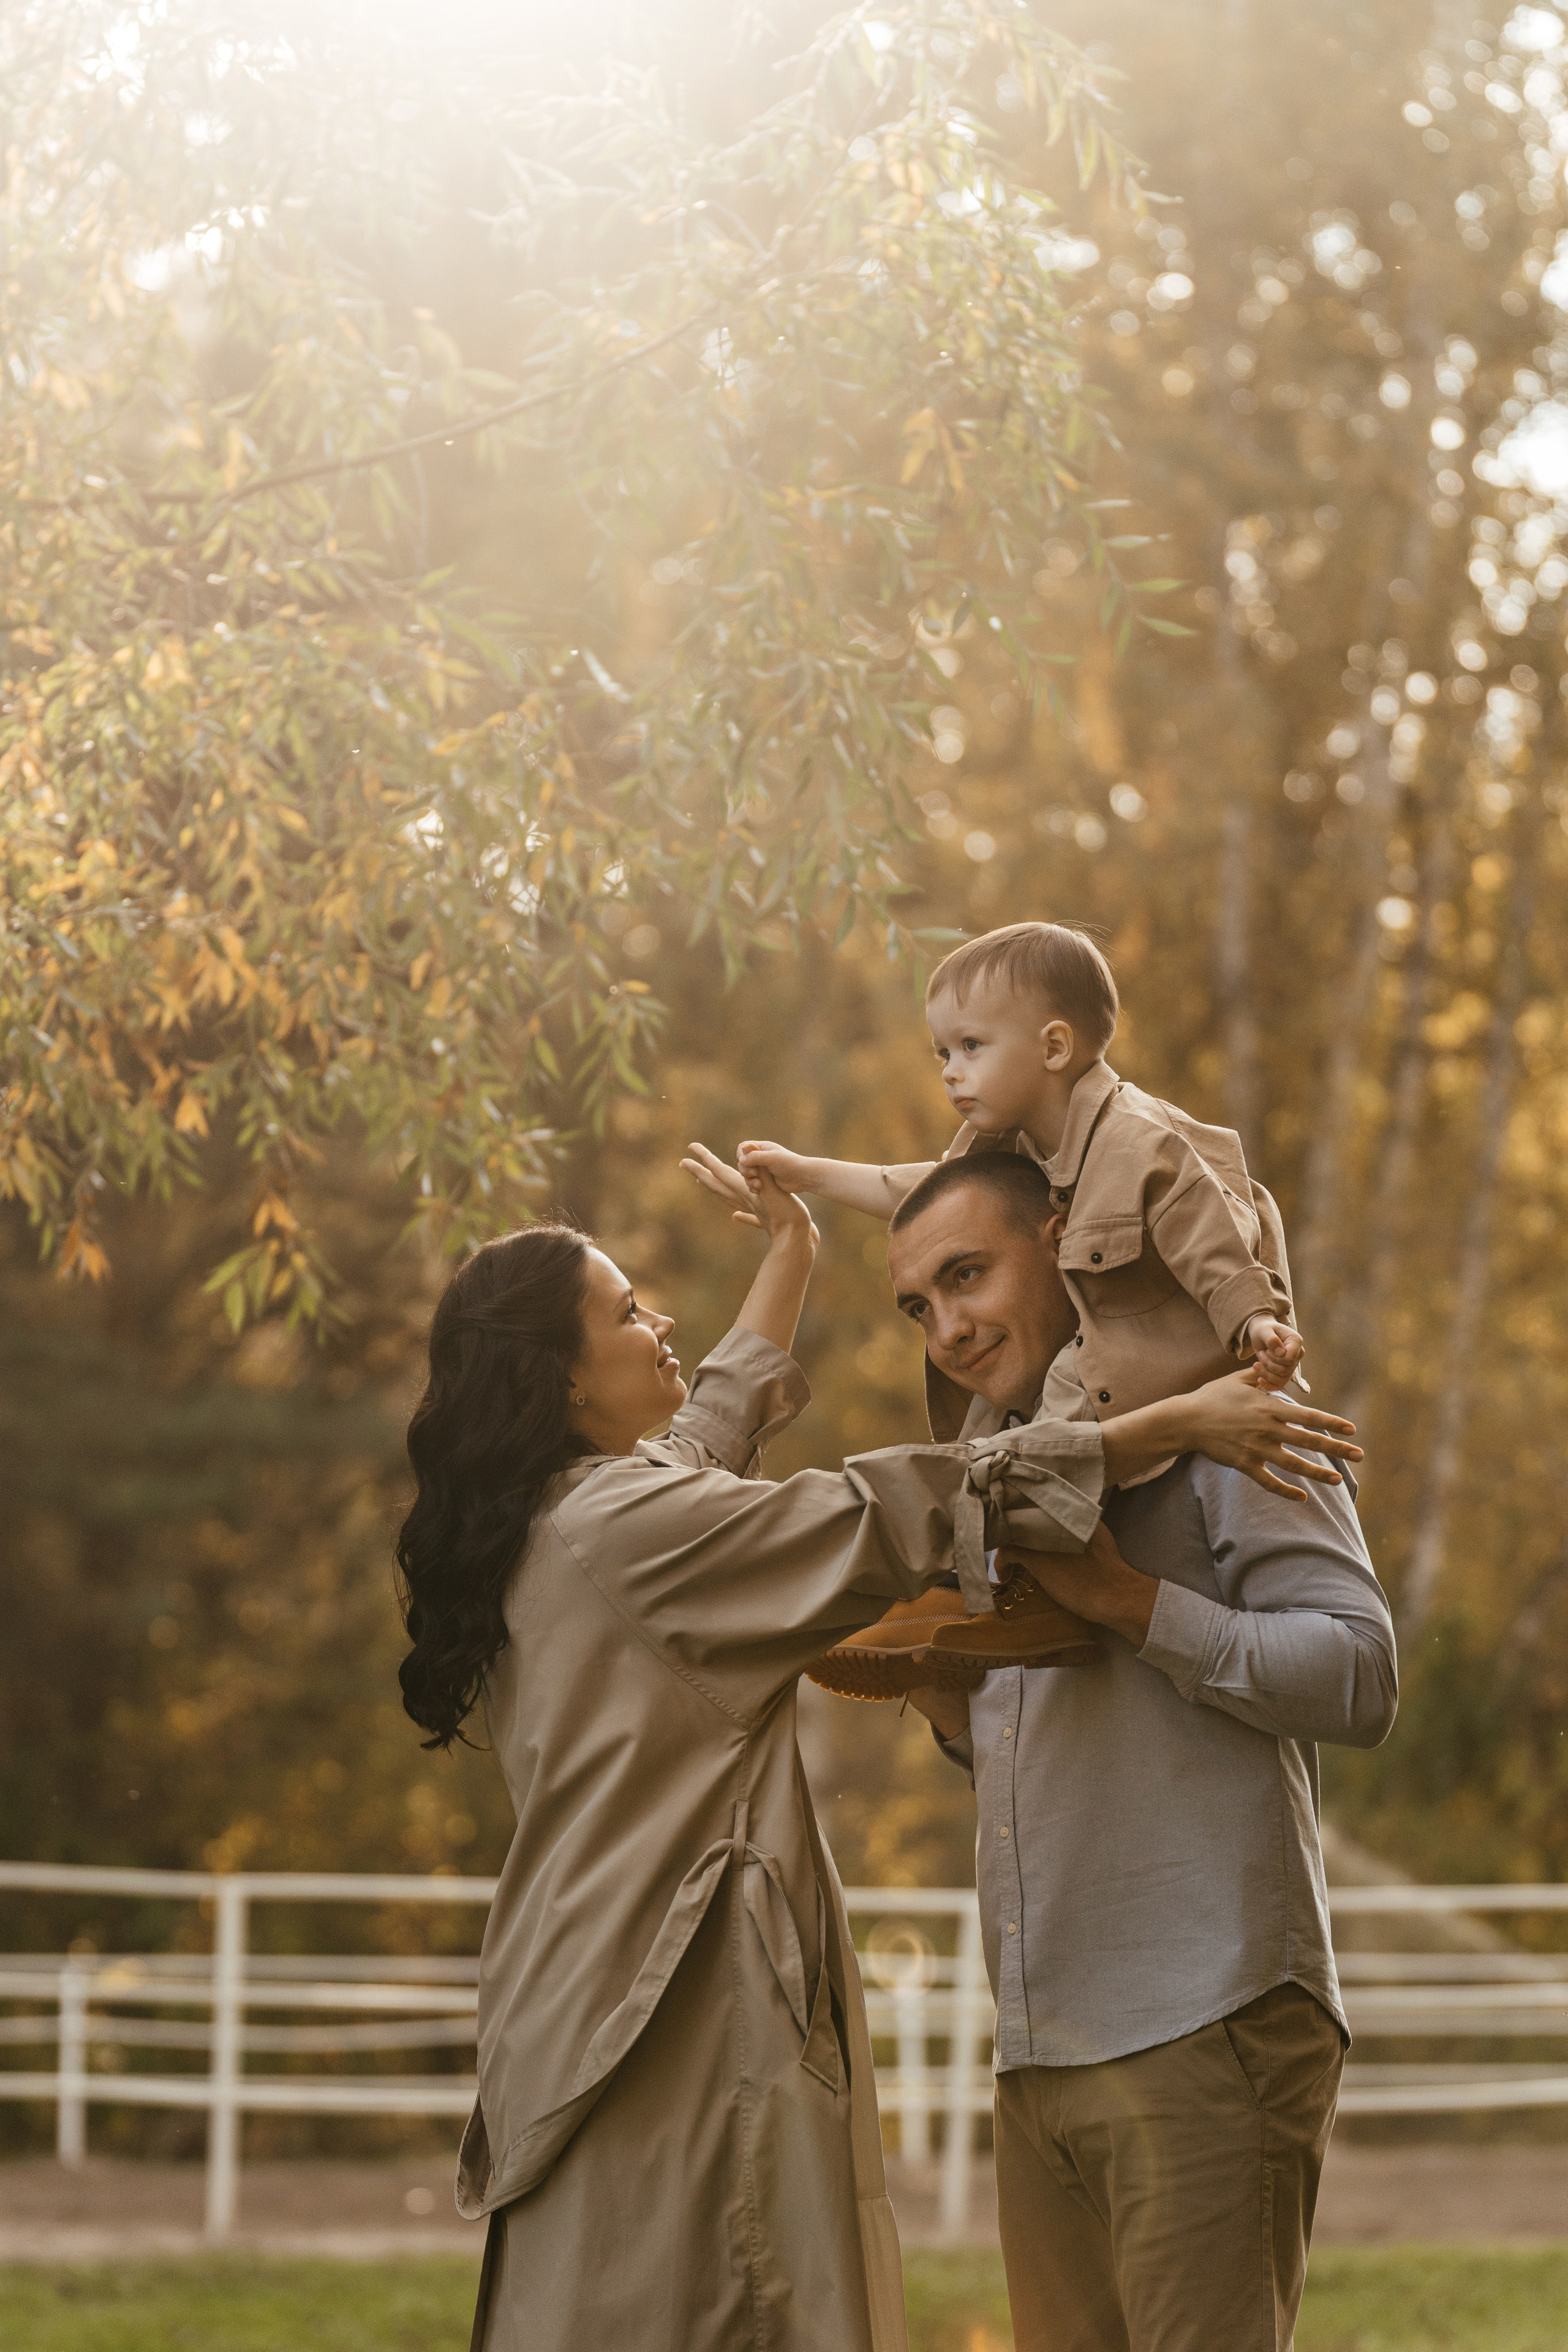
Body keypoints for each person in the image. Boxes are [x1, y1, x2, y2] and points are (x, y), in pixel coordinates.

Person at [396, 1148, 1220, 2352]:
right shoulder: (624, 1529)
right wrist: (1156, 1431)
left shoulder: (561, 1522)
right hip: (681, 2009)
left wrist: (791, 1254)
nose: (657, 1319)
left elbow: (700, 1443)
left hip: (594, 1993)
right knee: (732, 2307)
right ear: (561, 1379)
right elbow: (886, 1514)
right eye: (626, 1313)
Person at [883, 1150, 1399, 2352]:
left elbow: (1360, 1673)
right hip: (1039, 2048)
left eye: (967, 1275)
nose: (947, 1329)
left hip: (1201, 2023)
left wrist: (1126, 1601)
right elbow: (1074, 1744)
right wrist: (947, 1706)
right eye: (917, 1304)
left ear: (1064, 1239)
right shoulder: (1002, 1472)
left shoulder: (1227, 1409)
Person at [739, 922, 1305, 1670]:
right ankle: (1003, 1586)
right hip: (1094, 1342)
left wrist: (1255, 1320)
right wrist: (803, 1172)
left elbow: (1214, 1240)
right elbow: (912, 1194)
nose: (950, 1072)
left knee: (1049, 1437)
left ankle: (1021, 1584)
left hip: (1157, 1349)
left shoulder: (1141, 1141)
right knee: (984, 1432)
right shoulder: (1002, 1145)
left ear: (1054, 1049)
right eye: (942, 1053)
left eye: (971, 1048)